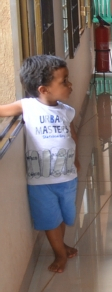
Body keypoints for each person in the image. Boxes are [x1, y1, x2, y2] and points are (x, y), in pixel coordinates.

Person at [0, 56, 79, 273]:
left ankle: (61, 245)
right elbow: (2, 110)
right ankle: (60, 254)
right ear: (44, 89)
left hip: (67, 177)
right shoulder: (27, 106)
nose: (69, 85)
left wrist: (77, 158)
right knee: (50, 219)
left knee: (63, 215)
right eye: (64, 81)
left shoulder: (66, 110)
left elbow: (72, 135)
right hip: (41, 181)